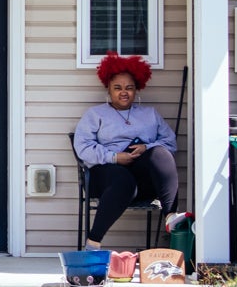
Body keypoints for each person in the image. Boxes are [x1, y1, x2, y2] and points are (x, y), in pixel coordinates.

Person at [73, 51, 178, 249]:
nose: (124, 92)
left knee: (160, 153)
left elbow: (170, 143)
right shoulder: (95, 114)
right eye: (118, 87)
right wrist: (114, 157)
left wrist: (147, 147)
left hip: (142, 177)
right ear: (108, 90)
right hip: (106, 175)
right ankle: (93, 243)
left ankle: (171, 216)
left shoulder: (150, 114)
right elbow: (83, 147)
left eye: (129, 88)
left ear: (137, 90)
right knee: (123, 180)